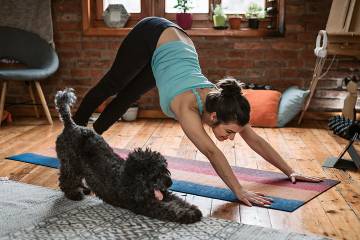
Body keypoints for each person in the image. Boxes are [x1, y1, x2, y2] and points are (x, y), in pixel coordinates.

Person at [73, 17, 322, 207]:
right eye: (230, 132)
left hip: (175, 45)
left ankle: (91, 135)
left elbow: (254, 138)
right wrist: (239, 191)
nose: (232, 138)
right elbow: (212, 152)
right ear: (213, 117)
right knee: (113, 85)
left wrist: (290, 170)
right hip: (152, 33)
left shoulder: (225, 106)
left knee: (128, 97)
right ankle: (74, 131)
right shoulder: (188, 108)